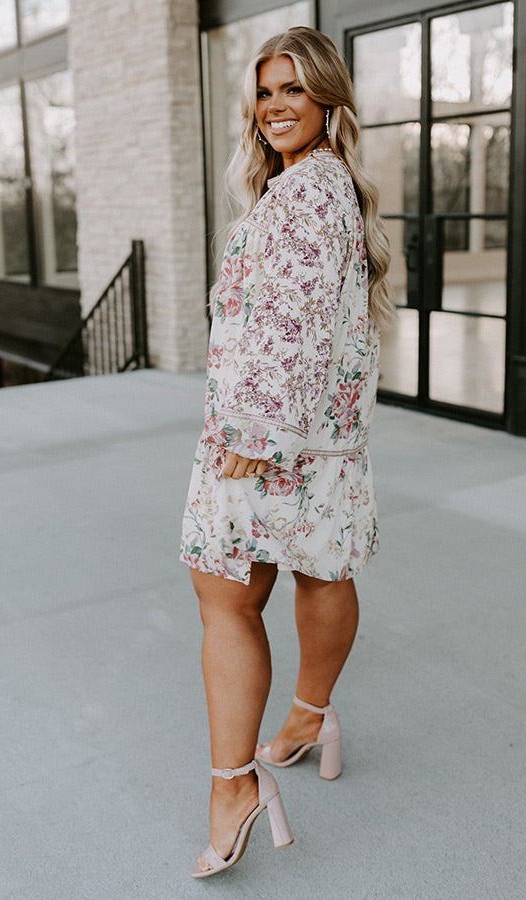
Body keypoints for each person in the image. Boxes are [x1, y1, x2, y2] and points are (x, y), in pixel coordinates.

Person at [179, 25, 392, 878]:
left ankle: (236, 787)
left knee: (225, 598)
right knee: (320, 572)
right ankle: (310, 716)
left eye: (294, 88)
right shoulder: (325, 186)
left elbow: (292, 324)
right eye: (265, 91)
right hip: (321, 440)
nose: (274, 106)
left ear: (329, 100)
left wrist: (252, 432)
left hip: (264, 437)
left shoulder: (307, 193)